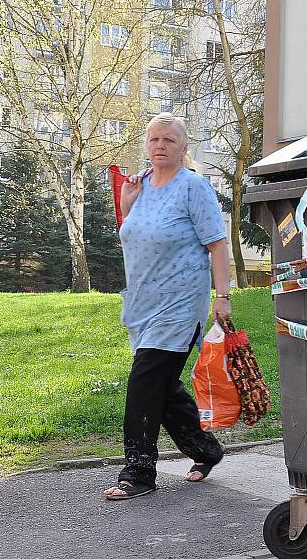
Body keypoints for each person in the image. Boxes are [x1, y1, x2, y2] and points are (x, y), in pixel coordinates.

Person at [104, 112, 232, 500]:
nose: (160, 146)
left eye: (169, 141)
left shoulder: (193, 187)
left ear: (183, 148)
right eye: (154, 140)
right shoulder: (138, 185)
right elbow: (137, 238)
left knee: (144, 381)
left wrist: (222, 295)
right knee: (163, 387)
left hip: (180, 303)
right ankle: (205, 449)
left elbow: (217, 244)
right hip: (142, 302)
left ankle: (138, 471)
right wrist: (125, 208)